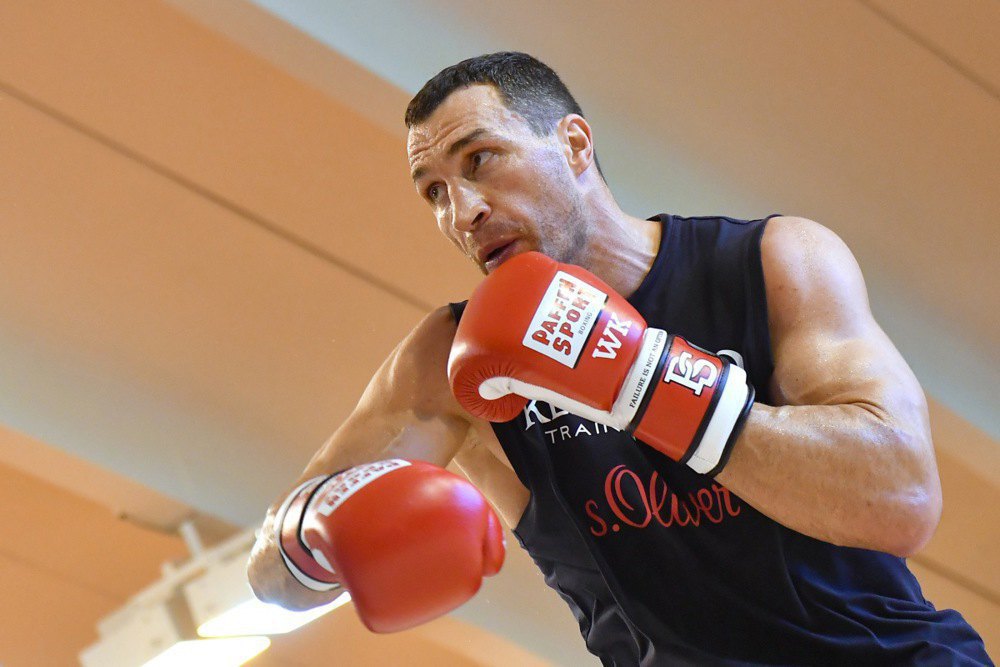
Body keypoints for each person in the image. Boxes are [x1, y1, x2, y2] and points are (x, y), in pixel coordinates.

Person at [248, 52, 991, 665]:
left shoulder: (770, 261)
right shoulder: (448, 363)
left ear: (574, 145)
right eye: (434, 191)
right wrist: (317, 536)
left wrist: (641, 378)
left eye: (482, 160)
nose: (462, 211)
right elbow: (269, 573)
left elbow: (900, 495)